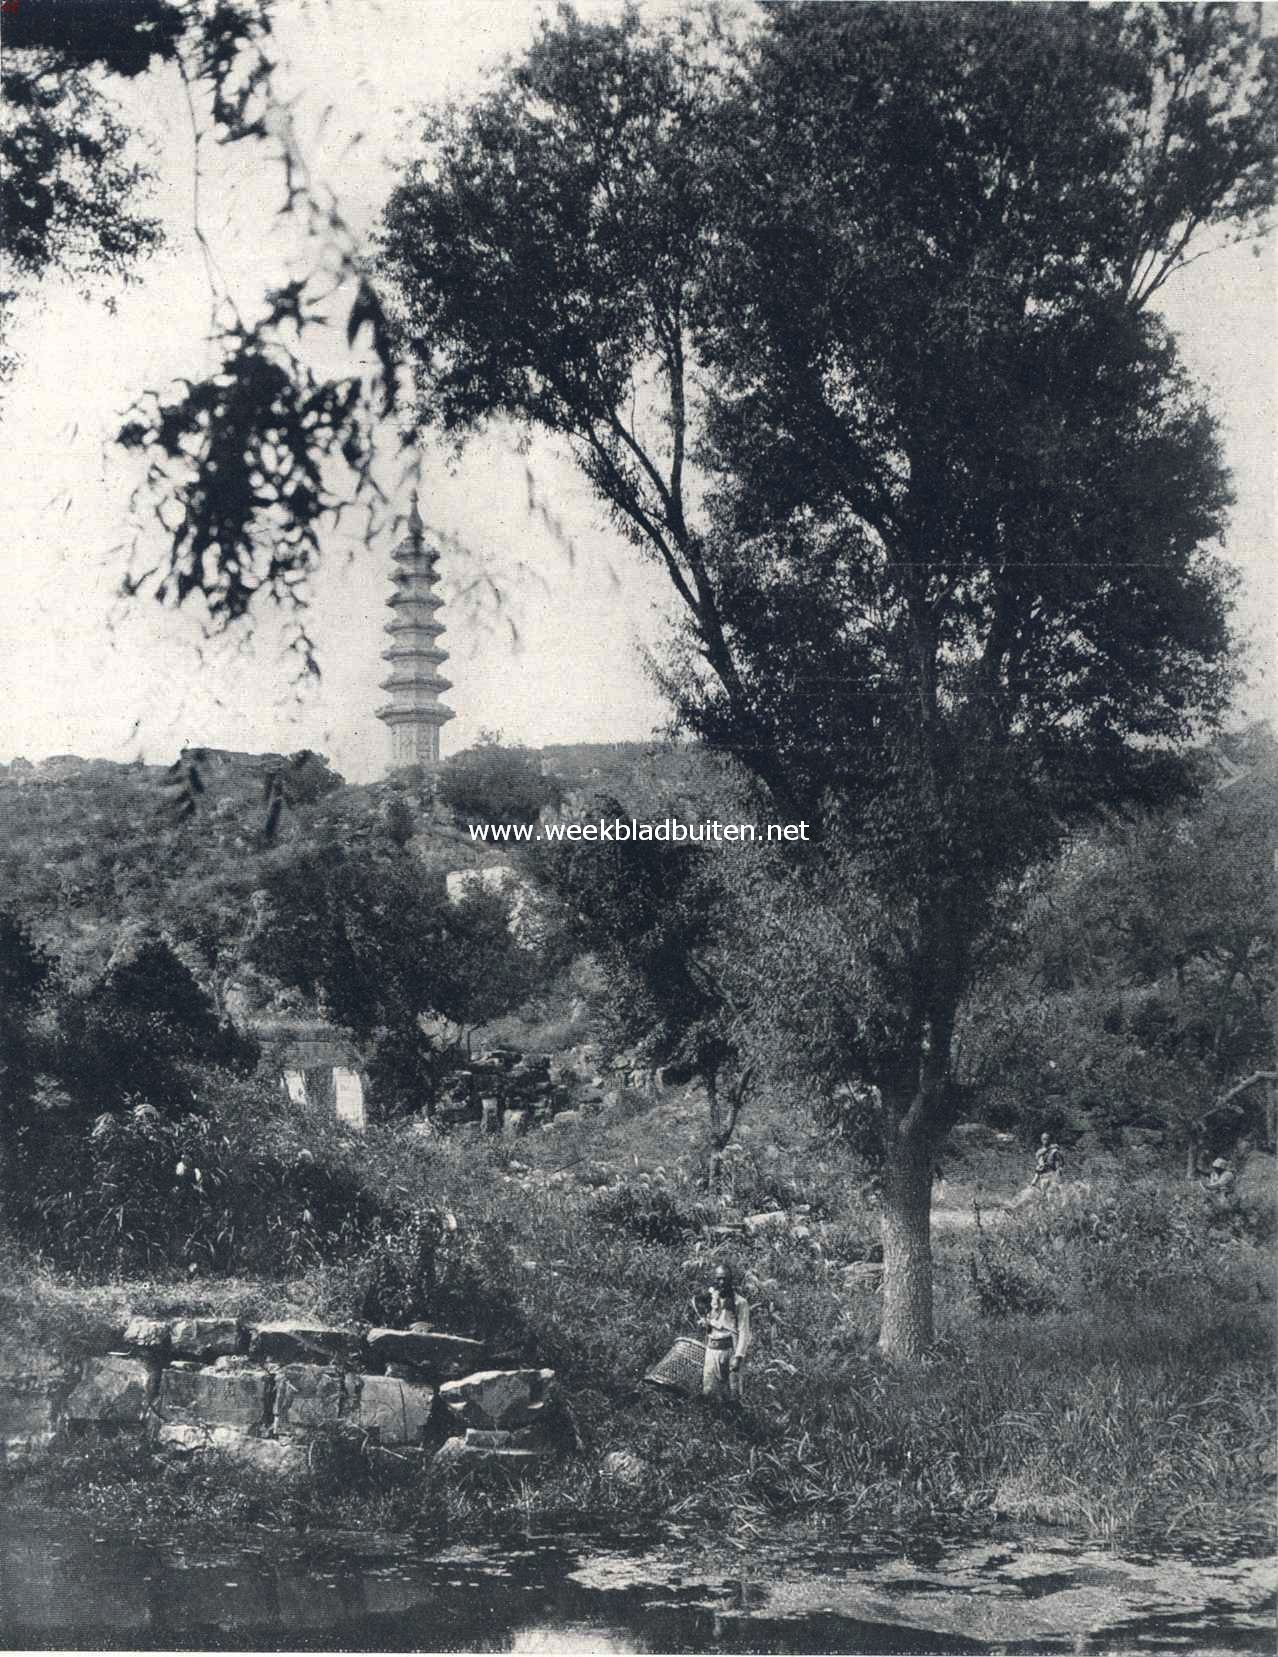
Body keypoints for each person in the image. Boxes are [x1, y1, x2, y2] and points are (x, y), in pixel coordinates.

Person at [700, 1263, 751, 1403]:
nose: (721, 1282)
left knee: (732, 1395)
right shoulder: (711, 1300)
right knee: (709, 1392)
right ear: (714, 1280)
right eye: (718, 1279)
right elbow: (710, 1327)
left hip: (729, 1351)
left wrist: (738, 1356)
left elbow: (744, 1331)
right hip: (711, 1351)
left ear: (730, 1280)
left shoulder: (740, 1302)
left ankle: (734, 1423)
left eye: (725, 1279)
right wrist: (706, 1324)